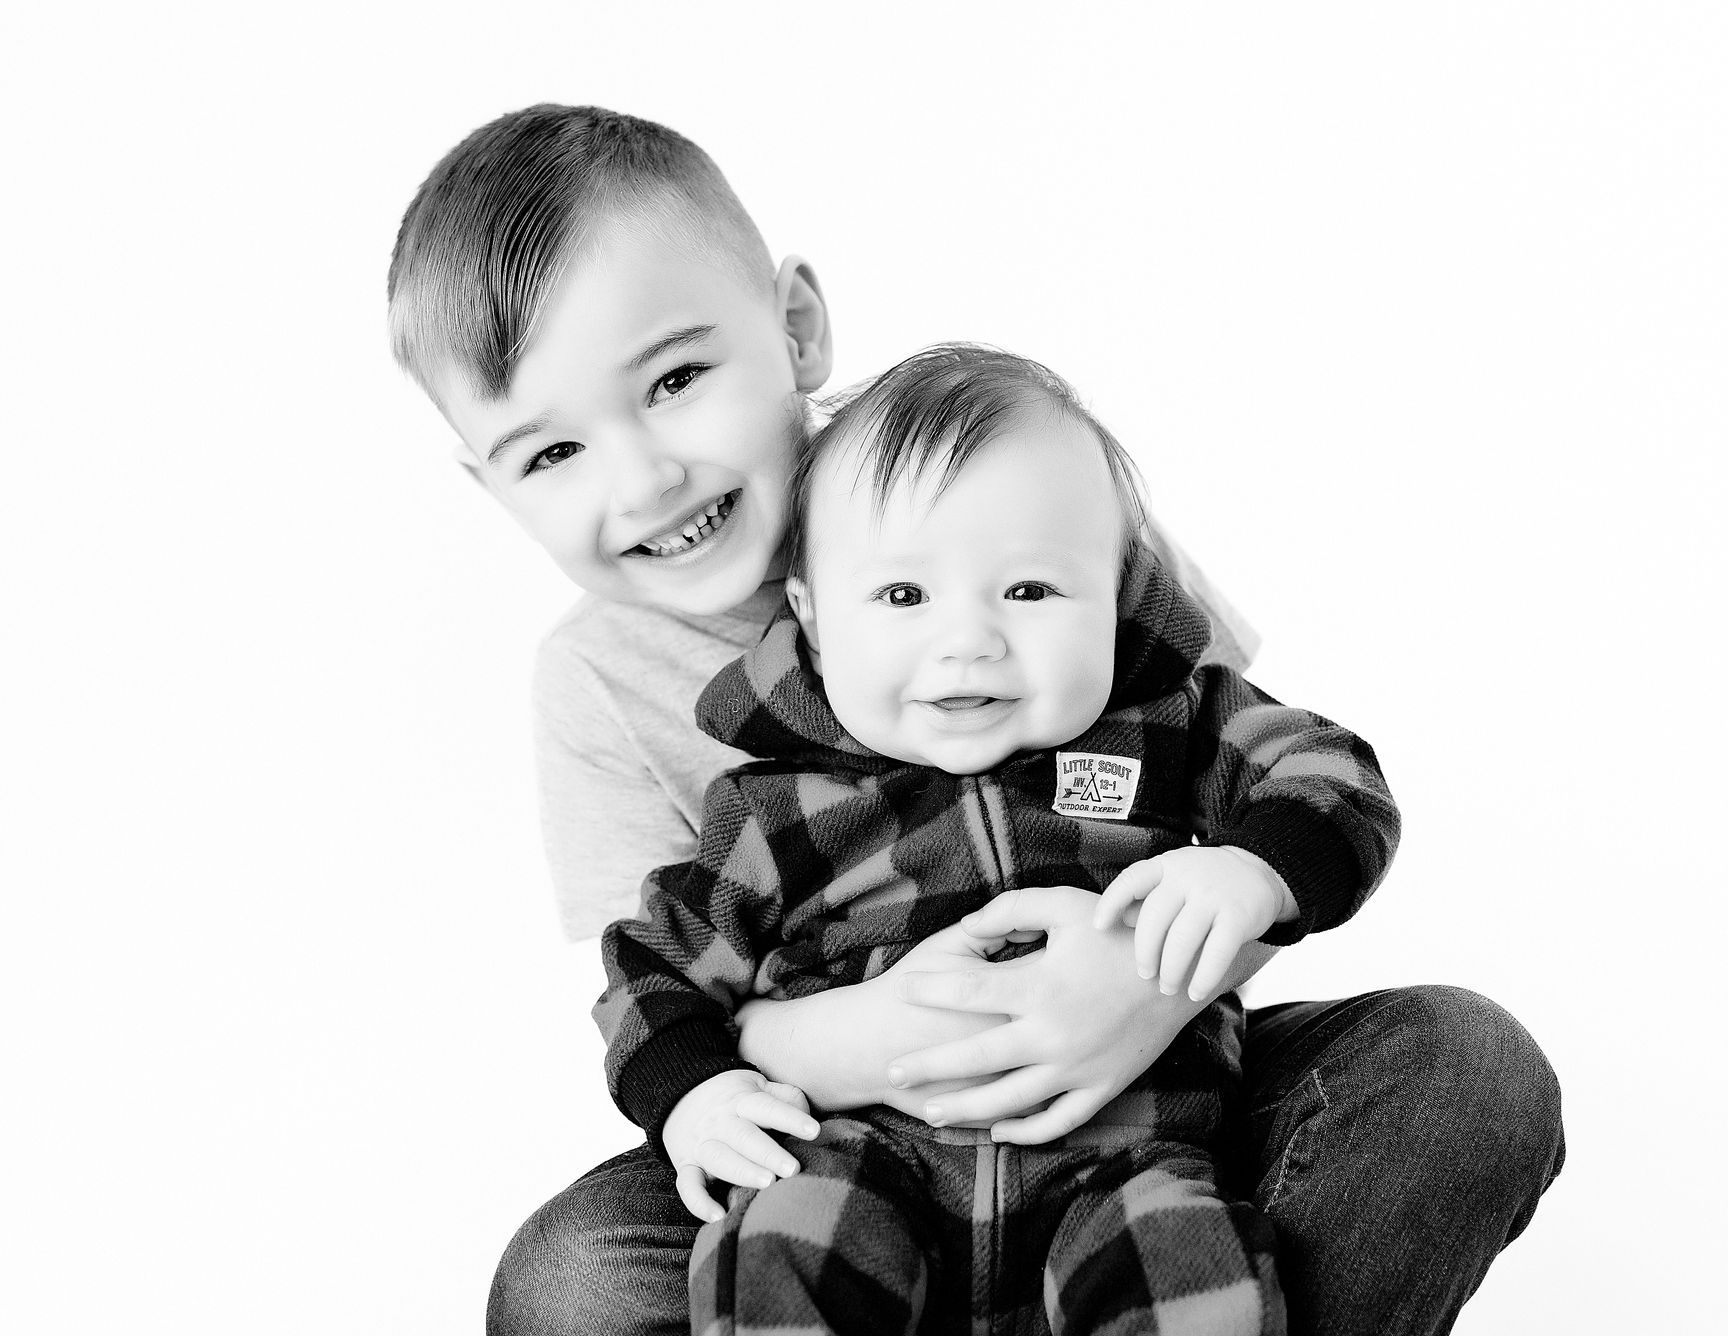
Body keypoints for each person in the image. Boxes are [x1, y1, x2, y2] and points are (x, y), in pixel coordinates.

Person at [386, 103, 1566, 1336]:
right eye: (552, 452)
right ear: (488, 484)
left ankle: (1141, 1289)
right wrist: (870, 1042)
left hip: (1148, 1103)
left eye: (676, 381)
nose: (643, 480)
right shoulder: (597, 683)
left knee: (1464, 1072)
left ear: (795, 326)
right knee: (572, 1280)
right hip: (844, 1144)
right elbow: (674, 983)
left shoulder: (1020, 478)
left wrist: (1134, 994)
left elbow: (1258, 780)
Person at [600, 344, 1399, 1333]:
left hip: (1123, 1161)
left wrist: (1256, 868)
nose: (969, 640)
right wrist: (696, 1093)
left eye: (1028, 591)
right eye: (904, 597)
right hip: (860, 1162)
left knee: (1193, 1273)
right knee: (775, 1248)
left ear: (1119, 594)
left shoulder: (1170, 726)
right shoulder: (775, 810)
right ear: (812, 617)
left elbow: (1329, 770)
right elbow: (654, 967)